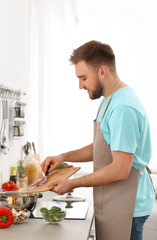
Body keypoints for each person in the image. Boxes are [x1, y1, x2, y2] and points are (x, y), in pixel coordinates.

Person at [41, 40, 155, 240]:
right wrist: (63, 156)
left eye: (83, 78)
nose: (80, 85)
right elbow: (103, 146)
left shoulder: (123, 107)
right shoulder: (109, 99)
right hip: (115, 198)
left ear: (103, 71)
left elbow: (120, 169)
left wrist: (73, 183)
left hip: (128, 204)